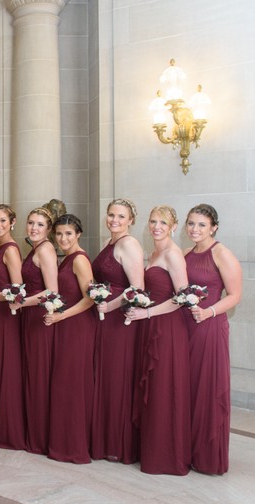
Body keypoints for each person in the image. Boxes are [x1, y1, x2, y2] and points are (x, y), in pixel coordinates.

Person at [126, 205, 191, 476]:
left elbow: (182, 297)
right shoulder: (152, 252)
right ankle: (150, 450)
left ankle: (166, 457)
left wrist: (147, 312)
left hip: (167, 328)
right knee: (151, 388)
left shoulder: (173, 254)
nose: (156, 226)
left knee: (164, 388)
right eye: (153, 221)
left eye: (162, 222)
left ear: (173, 227)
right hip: (148, 324)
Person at [183, 204, 242, 474]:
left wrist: (208, 312)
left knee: (207, 387)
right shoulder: (185, 253)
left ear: (214, 227)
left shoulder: (221, 253)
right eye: (191, 224)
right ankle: (188, 449)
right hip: (187, 327)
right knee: (189, 388)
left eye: (202, 225)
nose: (195, 229)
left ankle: (208, 455)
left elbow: (235, 295)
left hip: (210, 327)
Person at [90, 198, 144, 463]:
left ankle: (118, 443)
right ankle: (103, 438)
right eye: (111, 215)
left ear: (131, 220)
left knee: (118, 377)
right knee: (106, 375)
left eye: (121, 216)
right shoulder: (109, 243)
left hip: (119, 322)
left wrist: (109, 307)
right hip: (104, 319)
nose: (114, 220)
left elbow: (136, 288)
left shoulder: (129, 244)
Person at [43, 214, 96, 464]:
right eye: (59, 234)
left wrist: (61, 315)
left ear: (78, 235)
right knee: (63, 383)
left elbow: (90, 298)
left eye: (68, 234)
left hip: (77, 326)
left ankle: (73, 447)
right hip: (65, 325)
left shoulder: (80, 260)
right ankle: (62, 442)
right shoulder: (66, 259)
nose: (63, 238)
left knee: (71, 384)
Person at [11, 207, 58, 455]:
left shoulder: (47, 249)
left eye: (40, 224)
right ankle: (33, 433)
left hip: (40, 318)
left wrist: (22, 302)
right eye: (31, 223)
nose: (34, 228)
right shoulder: (35, 249)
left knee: (40, 375)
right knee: (31, 374)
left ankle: (40, 438)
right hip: (30, 317)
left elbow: (52, 291)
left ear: (48, 229)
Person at [0, 204, 27, 451]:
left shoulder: (10, 249)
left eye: (2, 221)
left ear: (12, 222)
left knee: (5, 366)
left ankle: (9, 429)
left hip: (5, 315)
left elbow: (18, 292)